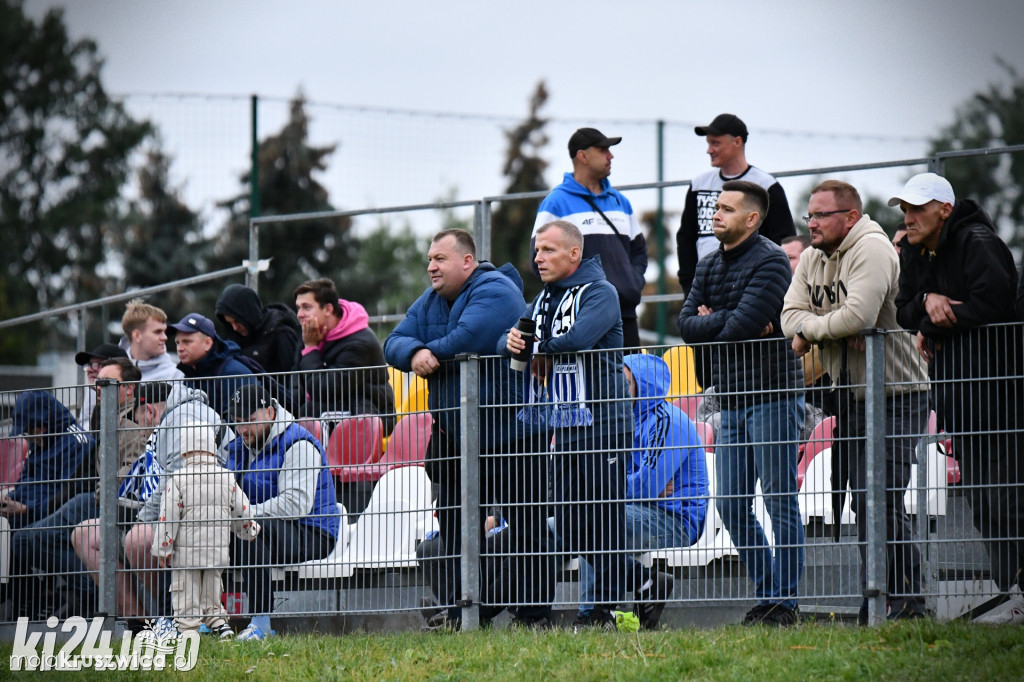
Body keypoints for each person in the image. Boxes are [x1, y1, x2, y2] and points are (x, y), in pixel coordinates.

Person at [504, 220, 674, 631]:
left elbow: (578, 338)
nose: (538, 258)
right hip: (564, 426)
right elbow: (513, 340)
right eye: (536, 251)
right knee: (571, 521)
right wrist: (510, 342)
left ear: (574, 254)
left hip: (605, 424)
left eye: (547, 250)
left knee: (603, 521)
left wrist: (531, 346)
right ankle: (645, 580)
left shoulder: (601, 292)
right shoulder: (545, 299)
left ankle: (608, 611)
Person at [384, 228, 554, 629]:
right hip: (451, 437)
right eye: (429, 259)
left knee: (527, 527)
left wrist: (427, 350)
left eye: (439, 259)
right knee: (456, 530)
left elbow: (469, 339)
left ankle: (532, 616)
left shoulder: (497, 290)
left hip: (511, 435)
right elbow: (393, 340)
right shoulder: (429, 301)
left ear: (467, 261)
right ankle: (465, 613)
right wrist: (413, 352)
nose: (430, 267)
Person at [782, 179, 931, 622]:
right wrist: (833, 328)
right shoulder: (811, 257)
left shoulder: (872, 248)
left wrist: (813, 330)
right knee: (861, 501)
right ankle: (879, 601)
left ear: (849, 217)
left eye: (821, 215)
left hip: (896, 392)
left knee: (878, 499)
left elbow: (861, 316)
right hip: (847, 395)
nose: (811, 223)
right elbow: (789, 315)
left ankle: (906, 602)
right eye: (809, 215)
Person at [891, 172, 1024, 625]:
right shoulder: (912, 250)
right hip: (960, 402)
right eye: (904, 209)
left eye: (917, 209)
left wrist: (942, 320)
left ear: (944, 210)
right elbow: (903, 307)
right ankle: (1014, 593)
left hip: (1003, 397)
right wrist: (929, 300)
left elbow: (999, 305)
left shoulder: (977, 242)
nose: (908, 218)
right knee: (984, 504)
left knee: (1008, 500)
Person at [677, 180, 805, 626]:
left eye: (727, 209)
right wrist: (722, 323)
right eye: (717, 208)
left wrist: (717, 321)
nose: (716, 215)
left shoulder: (771, 260)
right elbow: (685, 324)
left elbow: (737, 327)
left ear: (752, 219)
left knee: (779, 500)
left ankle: (785, 602)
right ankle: (768, 593)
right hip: (729, 398)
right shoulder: (709, 263)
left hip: (772, 395)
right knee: (731, 504)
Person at [6, 359, 148, 620]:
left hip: (101, 503)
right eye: (97, 385)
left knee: (27, 539)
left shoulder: (131, 424)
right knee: (23, 536)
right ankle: (49, 601)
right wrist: (13, 502)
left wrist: (29, 508)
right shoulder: (104, 417)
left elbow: (129, 477)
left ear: (128, 390)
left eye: (107, 385)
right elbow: (32, 481)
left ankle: (93, 594)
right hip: (94, 499)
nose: (98, 389)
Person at [574, 353, 708, 623]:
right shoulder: (620, 419)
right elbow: (605, 477)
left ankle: (594, 614)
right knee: (555, 528)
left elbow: (645, 485)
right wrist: (630, 486)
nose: (618, 388)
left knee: (597, 519)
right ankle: (526, 612)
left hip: (674, 520)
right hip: (634, 509)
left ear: (644, 383)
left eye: (625, 381)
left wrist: (626, 487)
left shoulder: (667, 420)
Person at [85, 380, 227, 621]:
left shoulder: (181, 419)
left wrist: (140, 519)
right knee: (85, 534)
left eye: (139, 421)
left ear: (149, 411)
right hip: (174, 514)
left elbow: (177, 484)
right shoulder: (174, 418)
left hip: (199, 520)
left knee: (138, 539)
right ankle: (140, 620)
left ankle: (171, 615)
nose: (141, 430)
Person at [223, 385, 340, 641]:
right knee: (201, 532)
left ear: (269, 412)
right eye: (237, 422)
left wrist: (243, 514)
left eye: (250, 421)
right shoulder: (237, 446)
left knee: (251, 530)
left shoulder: (299, 443)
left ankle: (260, 623)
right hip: (267, 527)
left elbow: (295, 505)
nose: (242, 429)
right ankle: (207, 617)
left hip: (314, 531)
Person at [532, 128, 647, 348]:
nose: (610, 156)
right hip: (579, 317)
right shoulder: (555, 202)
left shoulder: (621, 202)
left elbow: (639, 253)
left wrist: (631, 284)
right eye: (603, 150)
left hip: (626, 314)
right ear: (582, 156)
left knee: (631, 379)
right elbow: (536, 259)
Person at [151, 422, 261, 639]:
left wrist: (163, 549)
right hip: (216, 552)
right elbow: (242, 510)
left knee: (186, 594)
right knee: (212, 592)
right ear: (212, 447)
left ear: (183, 449)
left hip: (187, 555)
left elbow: (168, 518)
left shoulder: (178, 480)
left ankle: (187, 629)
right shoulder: (227, 478)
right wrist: (249, 531)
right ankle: (220, 624)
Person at [675, 113, 795, 298]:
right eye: (708, 143)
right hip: (704, 291)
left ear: (737, 142)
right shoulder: (699, 184)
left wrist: (768, 293)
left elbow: (784, 241)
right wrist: (690, 289)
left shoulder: (766, 185)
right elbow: (686, 239)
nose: (709, 150)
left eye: (715, 143)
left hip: (751, 290)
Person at [293, 278, 394, 426]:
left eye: (306, 307)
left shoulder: (359, 343)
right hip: (333, 409)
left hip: (370, 415)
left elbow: (324, 390)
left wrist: (310, 349)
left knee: (309, 411)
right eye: (298, 308)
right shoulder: (311, 333)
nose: (300, 314)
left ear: (328, 309)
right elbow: (297, 380)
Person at [2, 391, 95, 531]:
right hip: (29, 512)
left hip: (55, 520)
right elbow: (26, 478)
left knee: (22, 541)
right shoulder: (40, 440)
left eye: (30, 430)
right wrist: (10, 498)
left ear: (44, 424)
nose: (30, 437)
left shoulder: (76, 443)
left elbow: (66, 495)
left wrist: (28, 509)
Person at [170, 312, 259, 416]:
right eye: (178, 343)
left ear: (207, 343)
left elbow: (239, 423)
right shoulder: (190, 374)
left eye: (187, 342)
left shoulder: (233, 373)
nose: (180, 349)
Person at [779, 235, 828, 419]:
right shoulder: (773, 293)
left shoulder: (821, 297)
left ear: (808, 259)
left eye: (790, 258)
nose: (782, 264)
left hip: (815, 403)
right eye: (780, 258)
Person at [215, 283, 302, 374]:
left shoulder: (281, 333)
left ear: (247, 314)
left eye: (237, 321)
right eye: (229, 323)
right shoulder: (235, 341)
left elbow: (291, 376)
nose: (235, 328)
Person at [118, 299, 184, 381]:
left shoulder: (176, 375)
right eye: (158, 332)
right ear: (137, 336)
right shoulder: (112, 373)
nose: (165, 337)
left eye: (164, 332)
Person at [73, 342, 128, 427]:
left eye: (97, 365)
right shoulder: (92, 389)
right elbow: (84, 423)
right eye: (89, 365)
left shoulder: (135, 404)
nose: (89, 370)